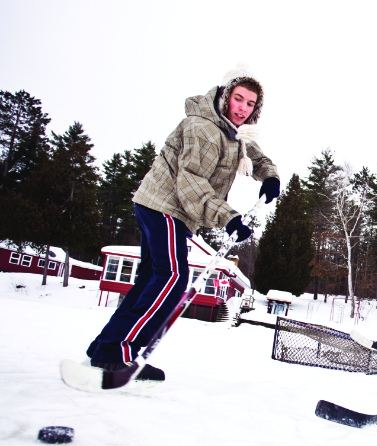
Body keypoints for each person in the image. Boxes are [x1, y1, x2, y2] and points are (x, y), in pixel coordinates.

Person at [86, 64, 281, 381]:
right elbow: (191, 184)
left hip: (160, 208)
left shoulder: (232, 132)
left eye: (250, 103)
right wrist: (228, 218)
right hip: (167, 207)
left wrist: (270, 176)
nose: (243, 108)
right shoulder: (204, 131)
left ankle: (106, 348)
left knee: (152, 281)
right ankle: (115, 352)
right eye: (238, 98)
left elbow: (256, 157)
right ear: (224, 95)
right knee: (173, 279)